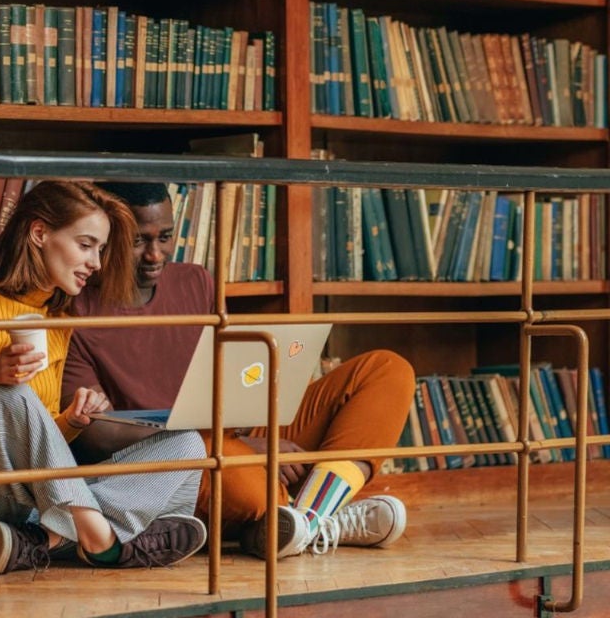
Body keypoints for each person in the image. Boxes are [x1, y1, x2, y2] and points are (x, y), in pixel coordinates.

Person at [62, 181, 416, 560]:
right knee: (247, 486)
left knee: (386, 371)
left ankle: (304, 521)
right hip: (175, 455)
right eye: (137, 242)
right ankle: (315, 516)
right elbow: (93, 435)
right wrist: (234, 443)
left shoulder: (194, 281)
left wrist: (250, 426)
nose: (155, 254)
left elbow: (228, 376)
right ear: (103, 239)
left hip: (235, 432)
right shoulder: (74, 309)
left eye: (165, 237)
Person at [0, 180, 209, 575]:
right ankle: (102, 540)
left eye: (100, 250)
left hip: (25, 510)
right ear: (39, 233)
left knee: (187, 444)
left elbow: (39, 442)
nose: (96, 263)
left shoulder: (59, 321)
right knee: (10, 396)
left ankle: (50, 540)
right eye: (85, 246)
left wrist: (71, 421)